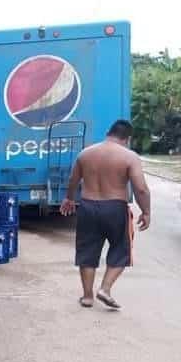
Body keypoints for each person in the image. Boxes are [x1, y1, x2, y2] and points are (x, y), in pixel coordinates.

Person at [60, 119, 151, 310]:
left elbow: (73, 180)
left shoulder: (85, 154)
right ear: (127, 138)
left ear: (108, 132)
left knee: (87, 251)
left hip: (87, 206)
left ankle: (87, 296)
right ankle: (105, 289)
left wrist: (68, 199)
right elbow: (141, 188)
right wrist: (146, 211)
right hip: (115, 207)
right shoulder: (129, 156)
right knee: (121, 249)